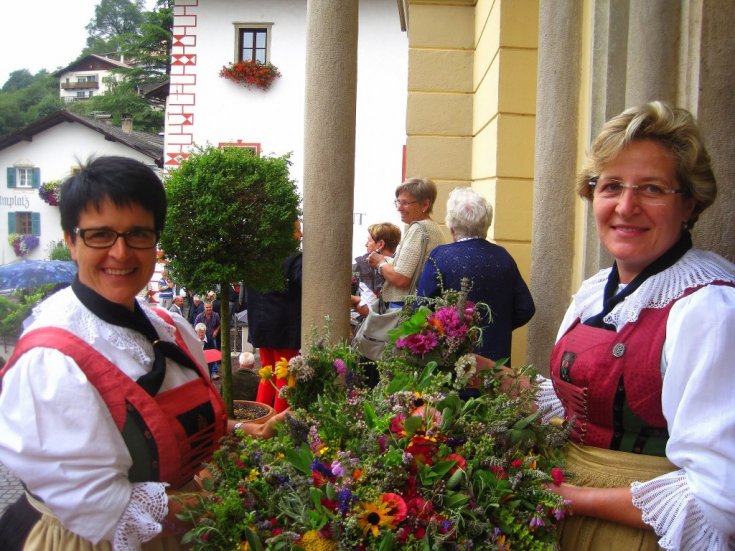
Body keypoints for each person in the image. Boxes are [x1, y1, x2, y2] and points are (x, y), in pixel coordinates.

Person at [479, 101, 735, 550]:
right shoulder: (596, 290)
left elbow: (721, 497)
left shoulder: (710, 310)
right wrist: (496, 380)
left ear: (690, 203)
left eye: (652, 189)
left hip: (639, 536)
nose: (626, 206)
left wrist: (572, 498)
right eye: (611, 186)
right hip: (563, 518)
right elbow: (587, 407)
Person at [0, 156, 285, 550]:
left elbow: (163, 430)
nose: (121, 253)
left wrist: (239, 431)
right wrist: (223, 507)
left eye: (138, 234)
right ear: (71, 240)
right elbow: (100, 505)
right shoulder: (52, 359)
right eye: (100, 235)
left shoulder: (169, 326)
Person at [416, 187, 535, 364]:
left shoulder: (440, 256)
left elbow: (421, 307)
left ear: (452, 227)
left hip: (451, 360)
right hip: (496, 365)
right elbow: (526, 308)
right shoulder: (503, 256)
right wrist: (497, 327)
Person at [248, 219, 303, 413]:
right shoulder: (294, 258)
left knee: (267, 373)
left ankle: (260, 418)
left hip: (261, 326)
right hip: (284, 328)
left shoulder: (256, 257)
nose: (301, 235)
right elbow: (307, 284)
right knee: (286, 376)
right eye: (298, 231)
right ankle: (280, 426)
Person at [368, 178, 445, 308]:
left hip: (404, 307)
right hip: (419, 305)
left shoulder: (419, 229)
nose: (399, 208)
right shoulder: (433, 228)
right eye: (398, 202)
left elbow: (401, 278)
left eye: (405, 203)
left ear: (425, 205)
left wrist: (380, 263)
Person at [350, 222, 401, 318]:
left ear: (380, 244)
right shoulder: (396, 266)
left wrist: (352, 300)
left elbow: (370, 311)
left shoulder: (374, 268)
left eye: (369, 241)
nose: (366, 244)